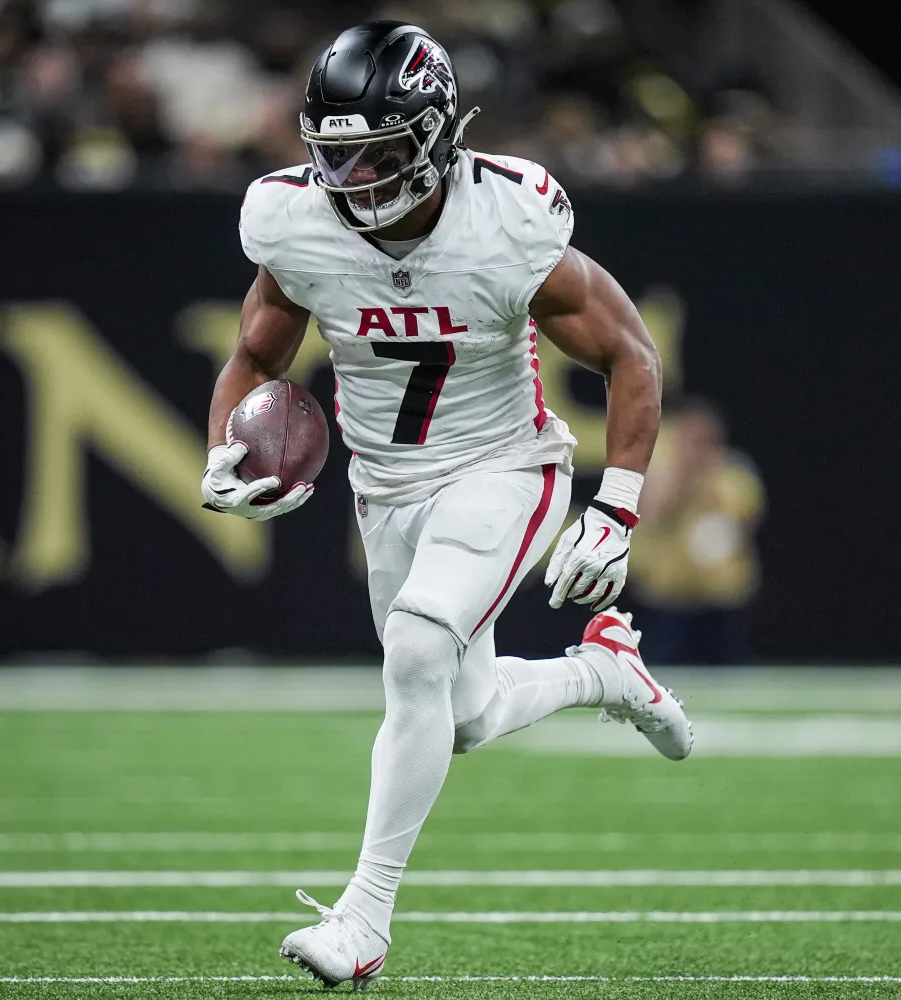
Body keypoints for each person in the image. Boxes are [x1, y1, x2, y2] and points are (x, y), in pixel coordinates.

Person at [201, 21, 693, 990]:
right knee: (461, 714)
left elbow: (630, 353)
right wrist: (224, 448)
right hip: (384, 486)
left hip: (504, 467)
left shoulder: (503, 221)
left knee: (418, 648)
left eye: (378, 154)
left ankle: (364, 917)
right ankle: (605, 672)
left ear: (433, 137)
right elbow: (256, 355)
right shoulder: (294, 220)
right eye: (335, 155)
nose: (353, 178)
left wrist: (616, 508)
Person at [627, 396, 766, 664]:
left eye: (704, 439)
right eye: (691, 438)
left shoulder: (733, 472)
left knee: (729, 671)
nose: (697, 446)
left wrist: (708, 480)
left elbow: (743, 520)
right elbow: (651, 516)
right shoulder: (661, 472)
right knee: (665, 673)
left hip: (721, 596)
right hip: (670, 597)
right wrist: (682, 476)